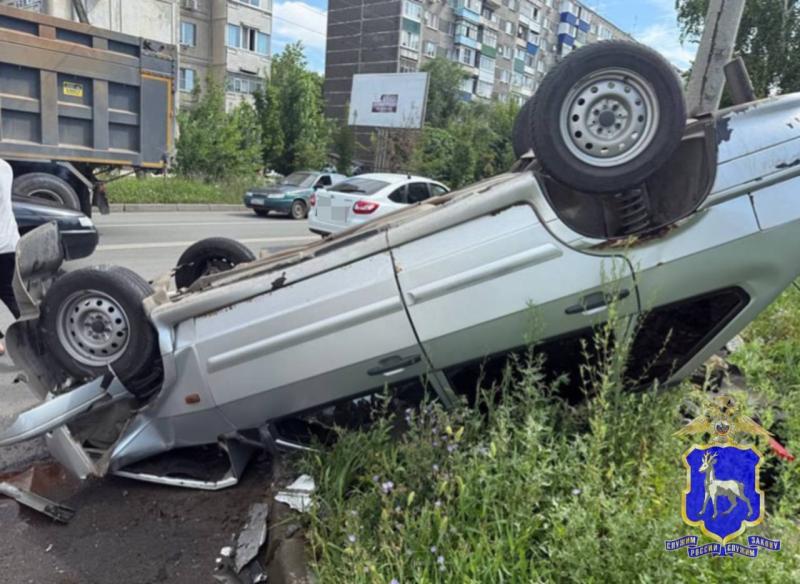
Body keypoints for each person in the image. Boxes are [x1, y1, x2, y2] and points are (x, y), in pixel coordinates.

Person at [0, 159, 20, 355]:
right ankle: (38, 337)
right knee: (11, 293)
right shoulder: (5, 167)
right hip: (9, 244)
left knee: (9, 293)